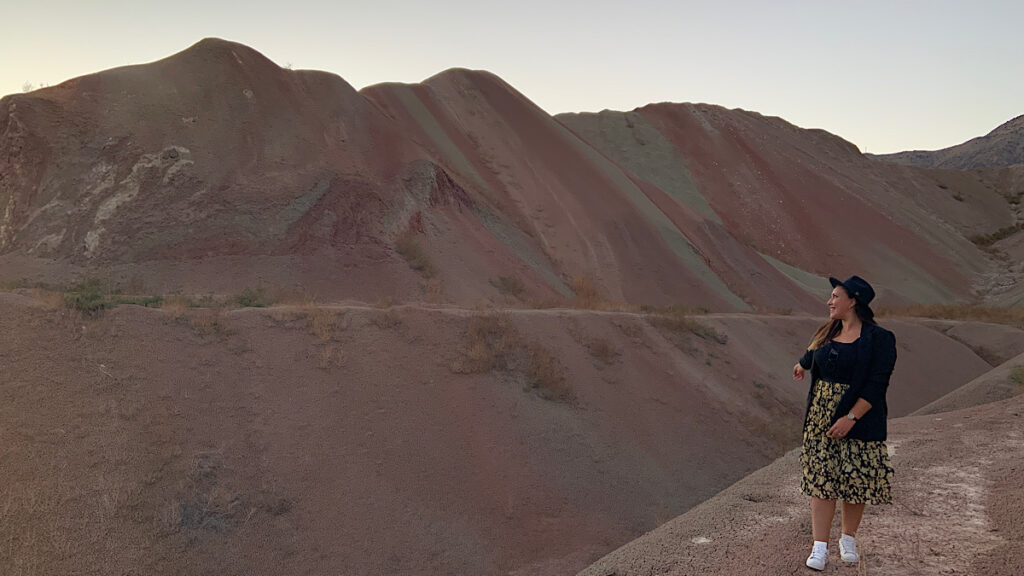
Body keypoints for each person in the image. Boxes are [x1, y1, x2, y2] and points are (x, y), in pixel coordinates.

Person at [792, 275, 897, 571]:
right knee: (822, 480)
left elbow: (877, 385)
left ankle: (848, 539)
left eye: (836, 296)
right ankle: (820, 547)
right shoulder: (827, 332)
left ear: (854, 301)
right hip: (820, 418)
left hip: (859, 417)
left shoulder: (879, 339)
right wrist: (801, 365)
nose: (830, 301)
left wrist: (851, 418)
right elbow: (813, 356)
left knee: (855, 480)